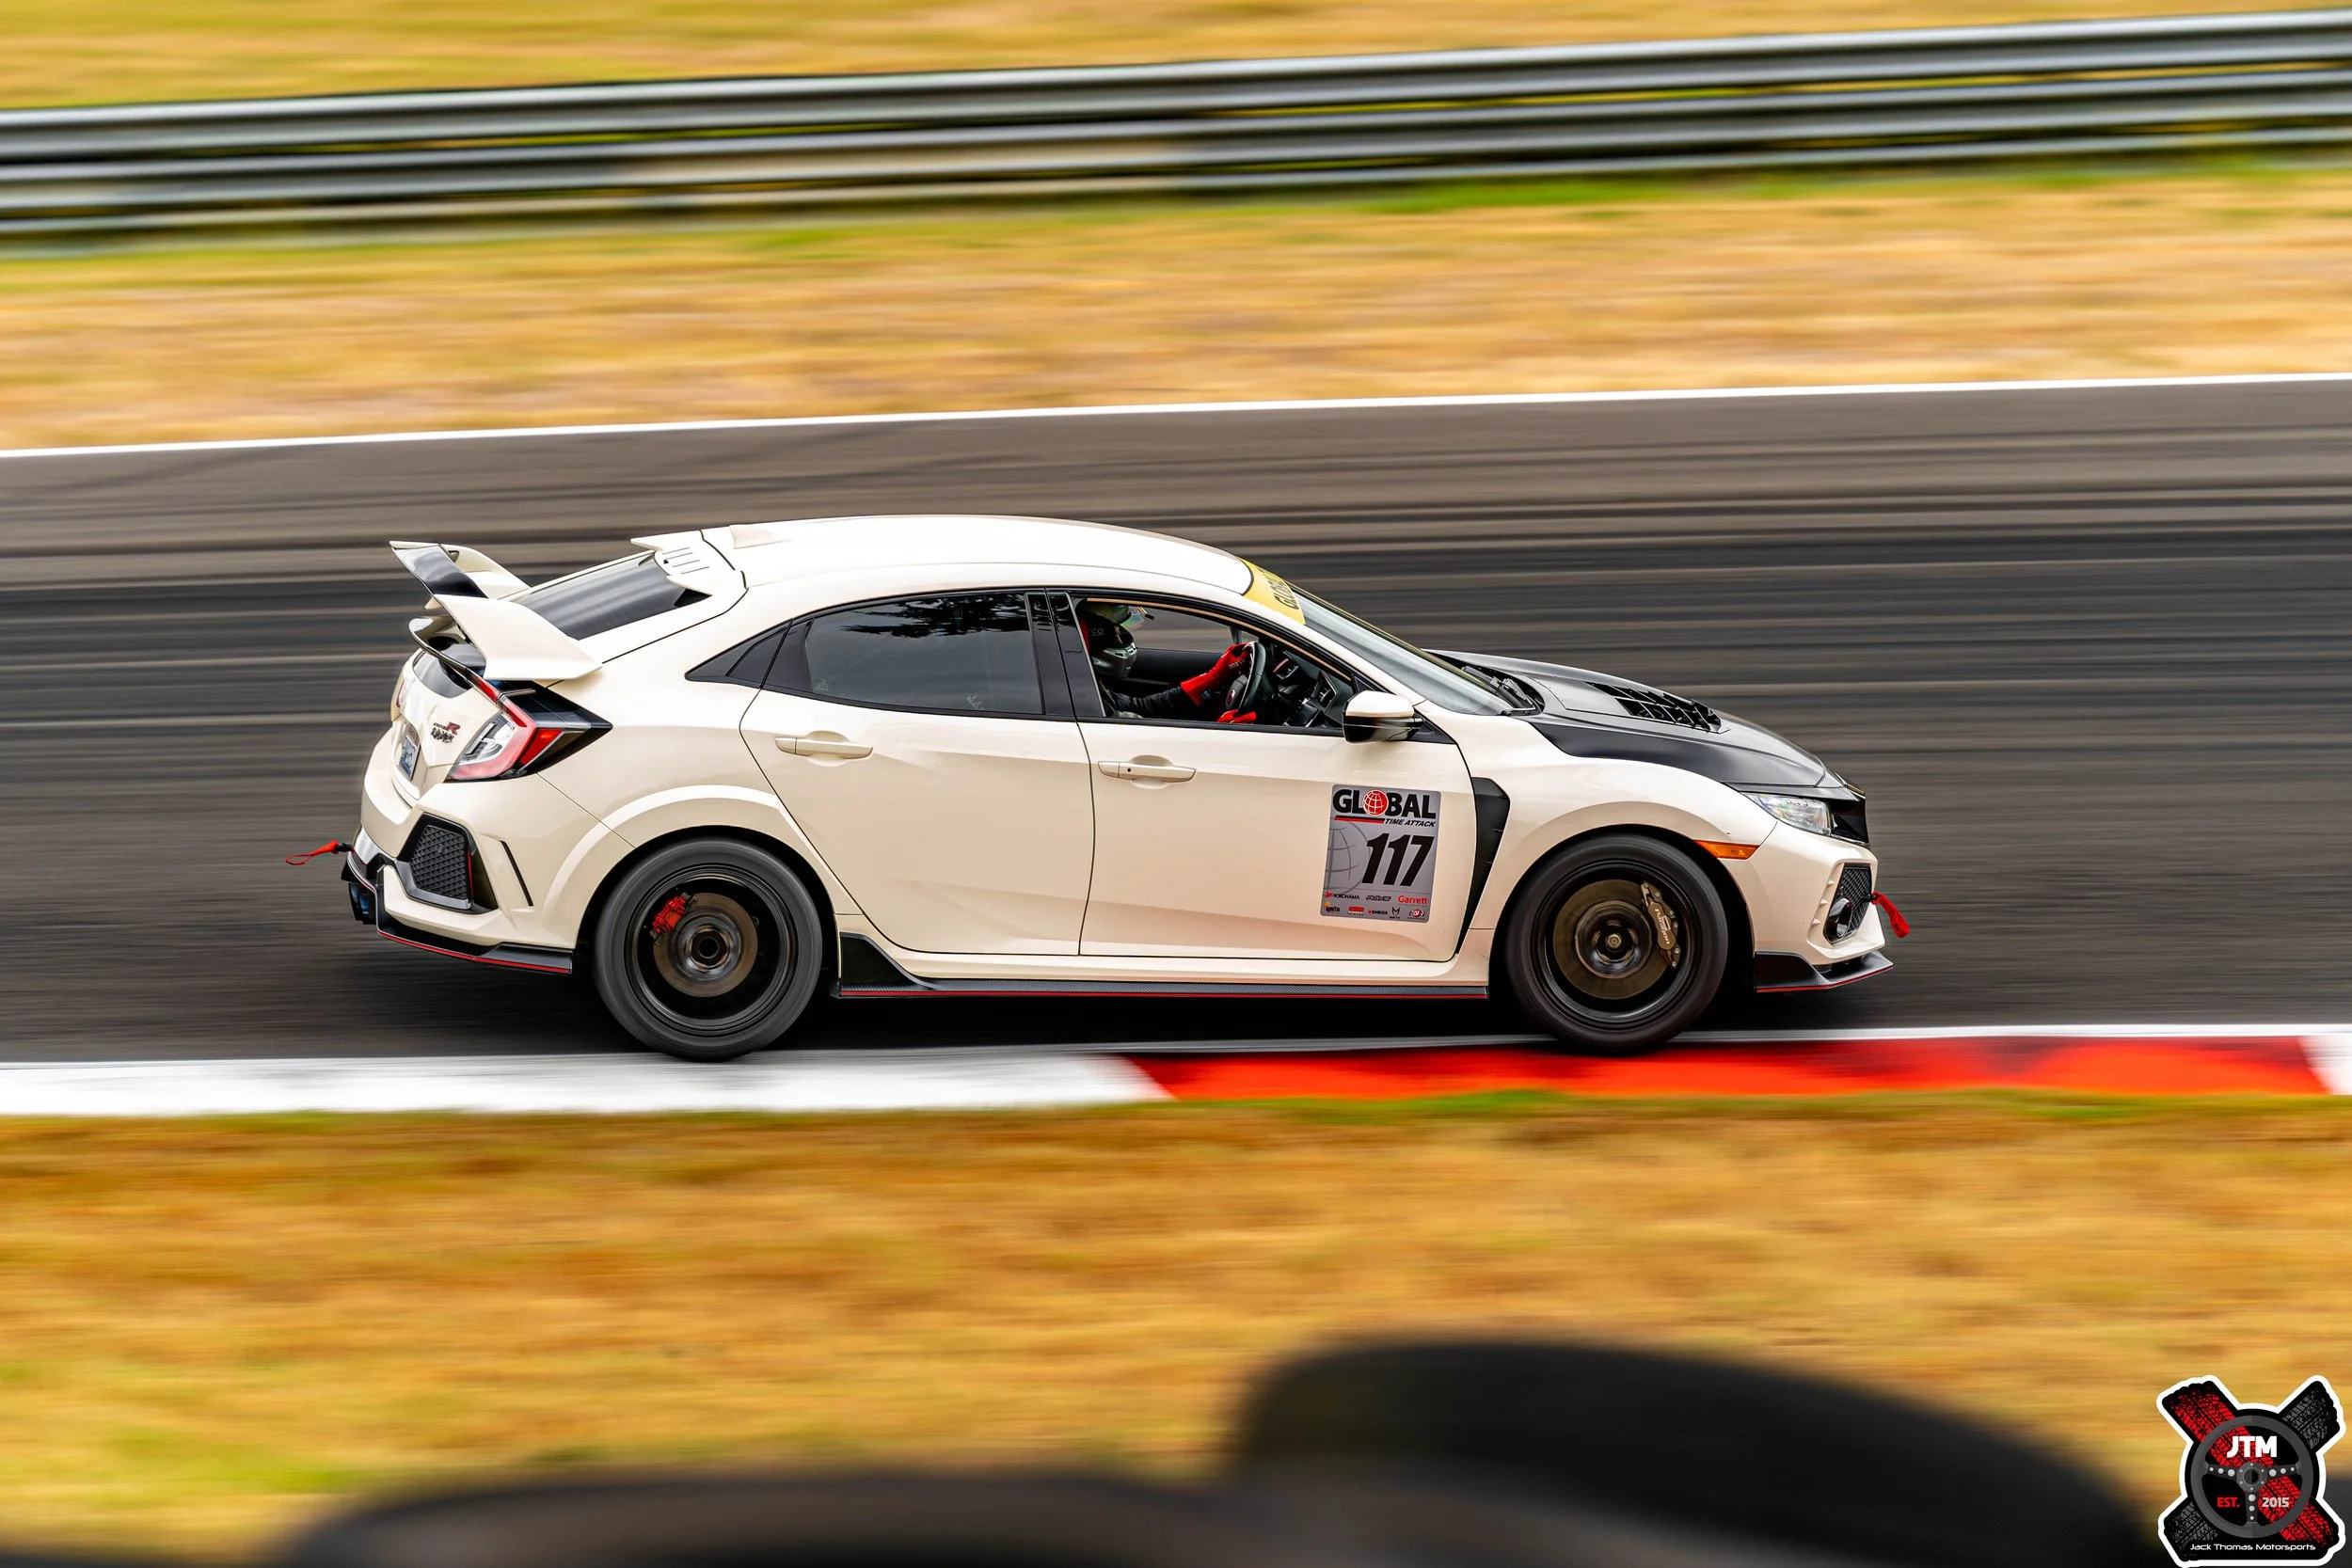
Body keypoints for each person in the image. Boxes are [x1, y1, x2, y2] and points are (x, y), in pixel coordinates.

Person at [1081, 602, 1256, 721]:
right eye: (1114, 633)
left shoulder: (1082, 685)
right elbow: (1152, 740)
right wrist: (1223, 733)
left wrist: (1213, 679)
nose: (1121, 639)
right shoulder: (1081, 701)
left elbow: (1142, 708)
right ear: (1093, 637)